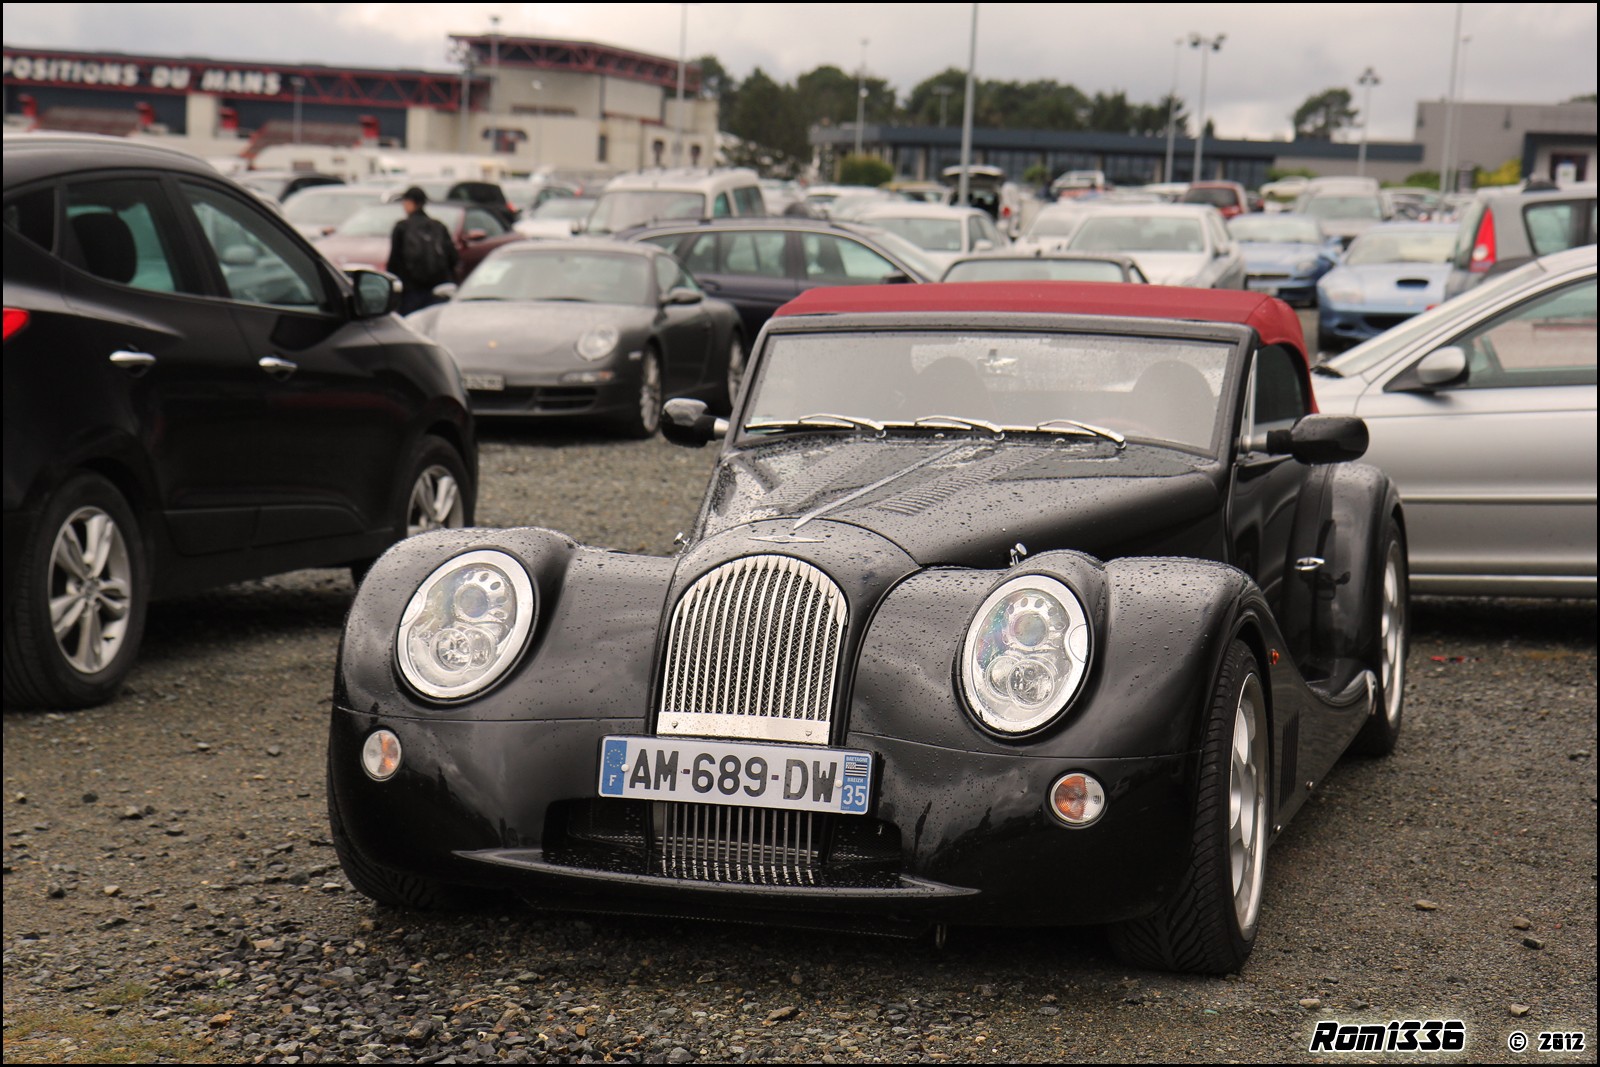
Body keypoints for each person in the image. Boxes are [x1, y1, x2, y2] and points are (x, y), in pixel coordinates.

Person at [387, 186, 459, 315]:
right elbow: (453, 258)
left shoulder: (402, 227)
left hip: (410, 291)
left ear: (410, 203)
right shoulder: (439, 226)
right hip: (438, 290)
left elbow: (394, 262)